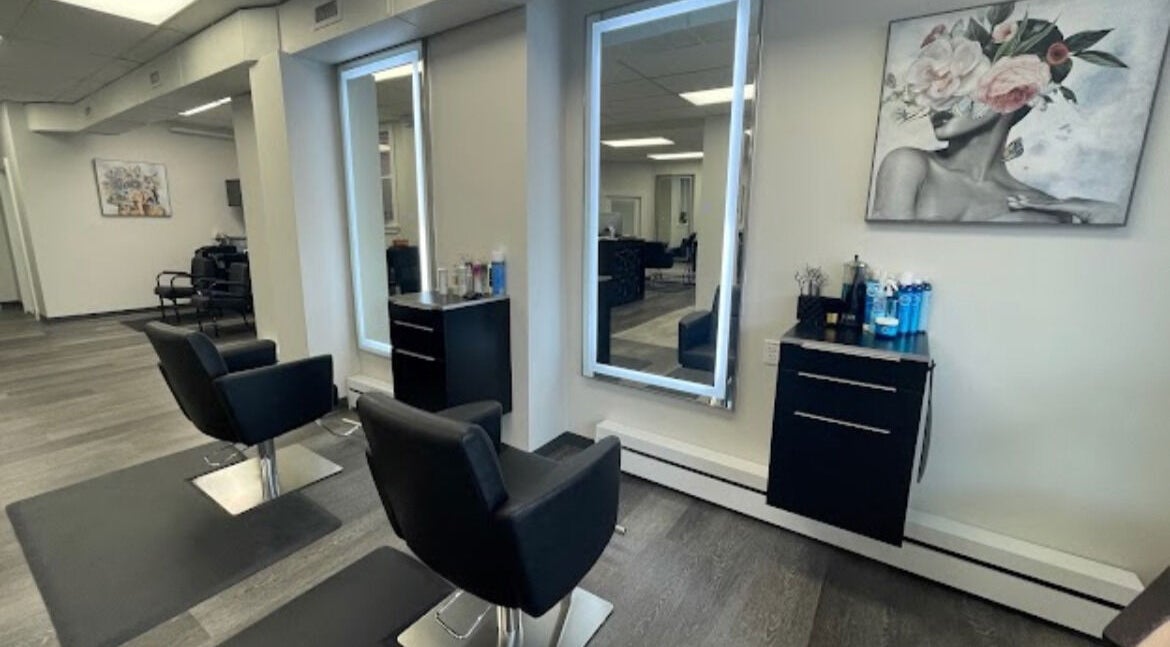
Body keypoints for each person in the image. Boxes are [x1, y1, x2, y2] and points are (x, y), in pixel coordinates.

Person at [872, 16, 1127, 224]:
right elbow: (887, 255)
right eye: (938, 88)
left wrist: (1096, 212)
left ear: (1016, 94)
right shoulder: (909, 164)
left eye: (963, 89)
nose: (942, 99)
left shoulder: (1041, 205)